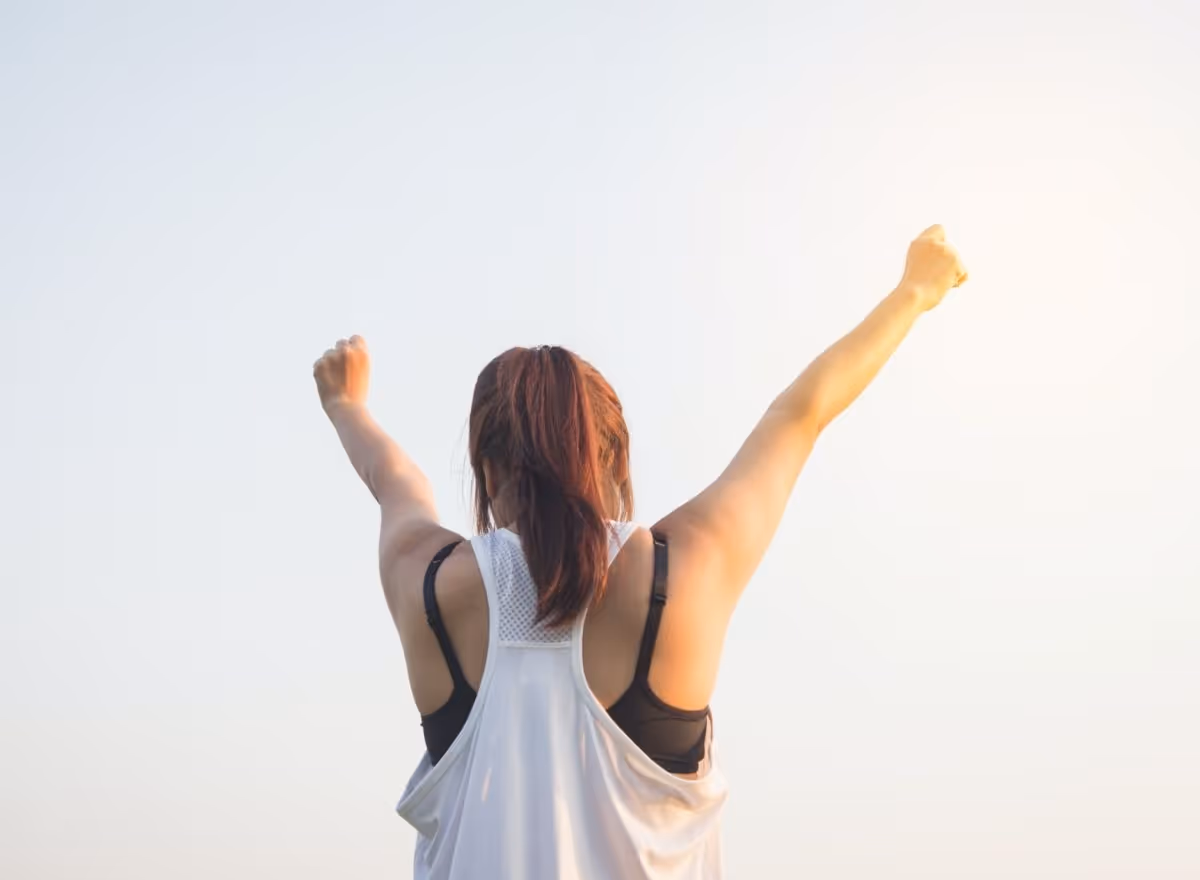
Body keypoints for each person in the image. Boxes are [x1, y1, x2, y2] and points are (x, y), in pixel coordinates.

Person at [313, 225, 969, 879]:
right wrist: (913, 292)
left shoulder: (429, 589)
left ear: (485, 471)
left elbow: (396, 483)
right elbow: (800, 415)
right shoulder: (684, 572)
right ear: (617, 457)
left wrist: (347, 405)